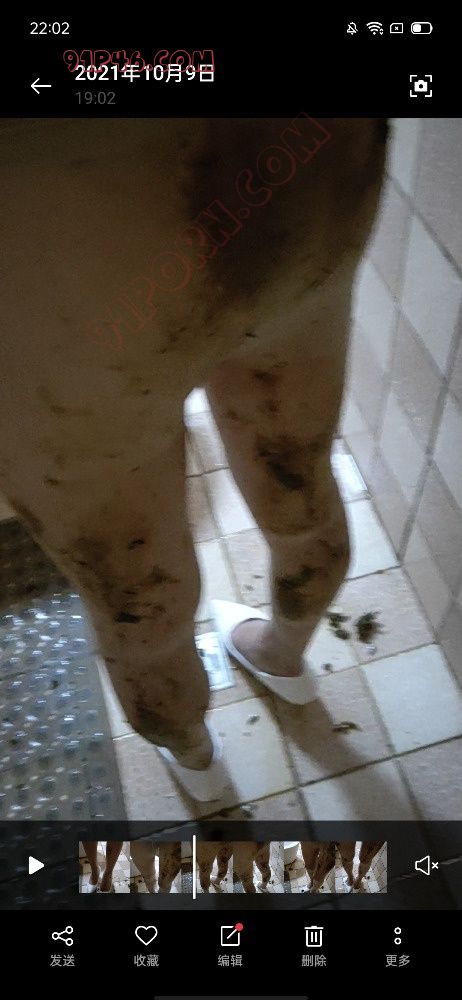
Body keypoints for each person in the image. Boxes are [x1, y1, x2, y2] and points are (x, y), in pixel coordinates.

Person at [0, 117, 386, 799]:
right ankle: (283, 655)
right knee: (297, 475)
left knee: (135, 594)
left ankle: (196, 757)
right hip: (307, 156)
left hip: (58, 216)